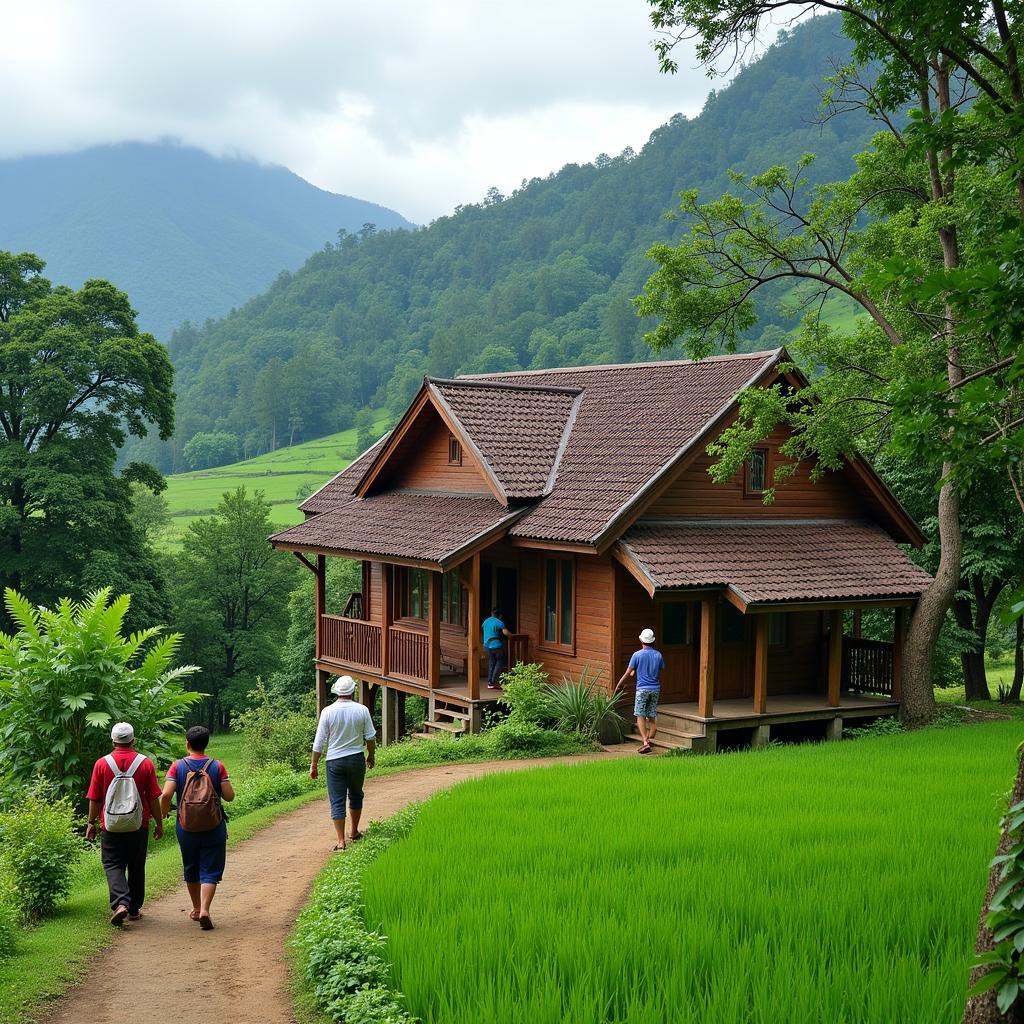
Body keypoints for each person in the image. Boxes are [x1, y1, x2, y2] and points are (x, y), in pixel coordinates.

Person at [85, 722, 164, 925]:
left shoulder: (102, 764)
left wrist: (91, 823)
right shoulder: (145, 763)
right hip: (138, 825)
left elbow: (95, 798)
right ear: (133, 740)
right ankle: (134, 909)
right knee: (136, 865)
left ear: (113, 740)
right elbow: (154, 797)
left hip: (110, 825)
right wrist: (159, 823)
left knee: (112, 864)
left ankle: (121, 903)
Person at [160, 725, 235, 930]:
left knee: (191, 866)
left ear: (187, 744)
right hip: (214, 825)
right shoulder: (217, 766)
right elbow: (229, 796)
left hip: (186, 826)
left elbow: (166, 795)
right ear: (206, 743)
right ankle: (205, 910)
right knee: (210, 870)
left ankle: (195, 908)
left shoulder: (177, 766)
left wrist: (164, 812)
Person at [310, 676, 376, 850]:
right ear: (353, 691)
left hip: (334, 761)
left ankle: (341, 841)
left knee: (337, 800)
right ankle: (354, 831)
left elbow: (319, 742)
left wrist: (314, 765)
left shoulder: (327, 711)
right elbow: (370, 737)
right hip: (355, 759)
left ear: (337, 691)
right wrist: (371, 756)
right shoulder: (362, 710)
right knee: (355, 795)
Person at [618, 628, 665, 755]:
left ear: (641, 640)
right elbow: (660, 669)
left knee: (640, 715)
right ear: (652, 641)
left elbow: (628, 673)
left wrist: (619, 684)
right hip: (655, 689)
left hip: (642, 689)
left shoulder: (637, 655)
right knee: (652, 716)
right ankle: (650, 737)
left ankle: (645, 742)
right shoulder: (658, 655)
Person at [481, 607, 513, 689]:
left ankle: (489, 682)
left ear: (492, 613)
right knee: (499, 662)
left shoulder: (486, 621)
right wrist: (512, 636)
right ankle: (493, 681)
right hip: (497, 645)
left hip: (487, 645)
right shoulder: (499, 622)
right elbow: (505, 632)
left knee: (491, 663)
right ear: (500, 615)